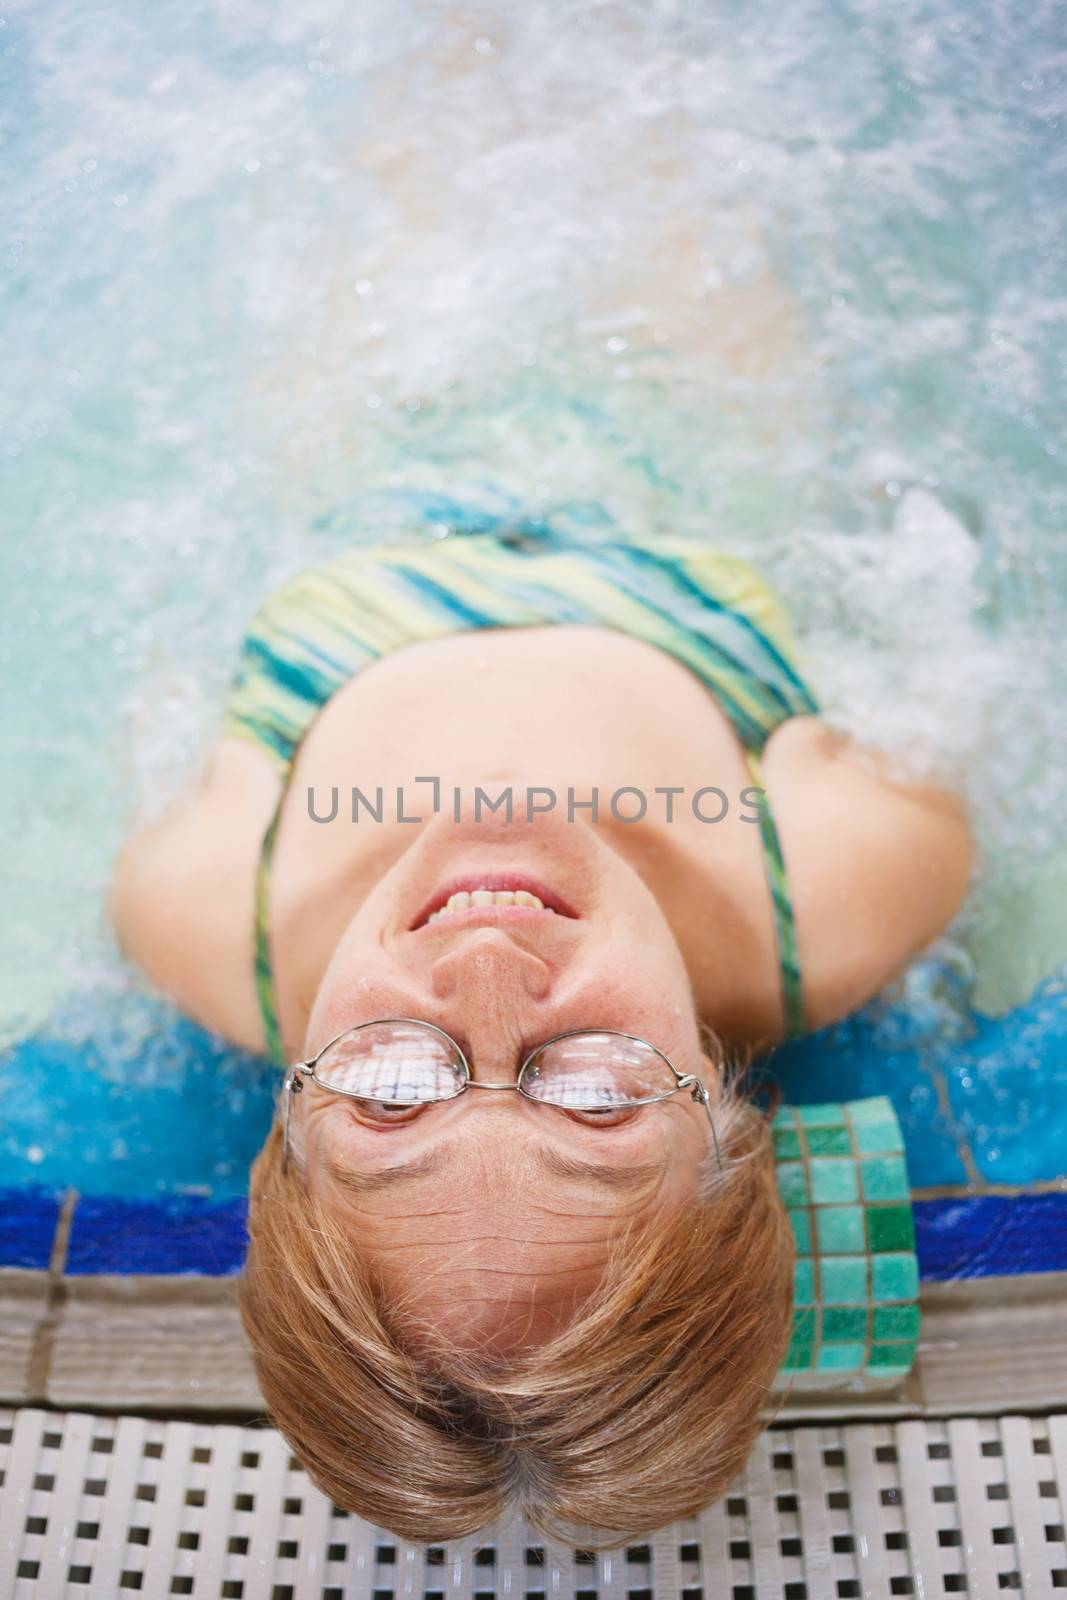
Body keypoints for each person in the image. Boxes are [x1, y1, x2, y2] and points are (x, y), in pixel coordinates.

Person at [108, 513, 972, 1546]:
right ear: (727, 1121)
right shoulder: (833, 893)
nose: (487, 966)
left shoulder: (204, 913)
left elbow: (155, 699)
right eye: (596, 1091)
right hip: (675, 544)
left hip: (343, 552)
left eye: (391, 1086)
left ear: (288, 1117)